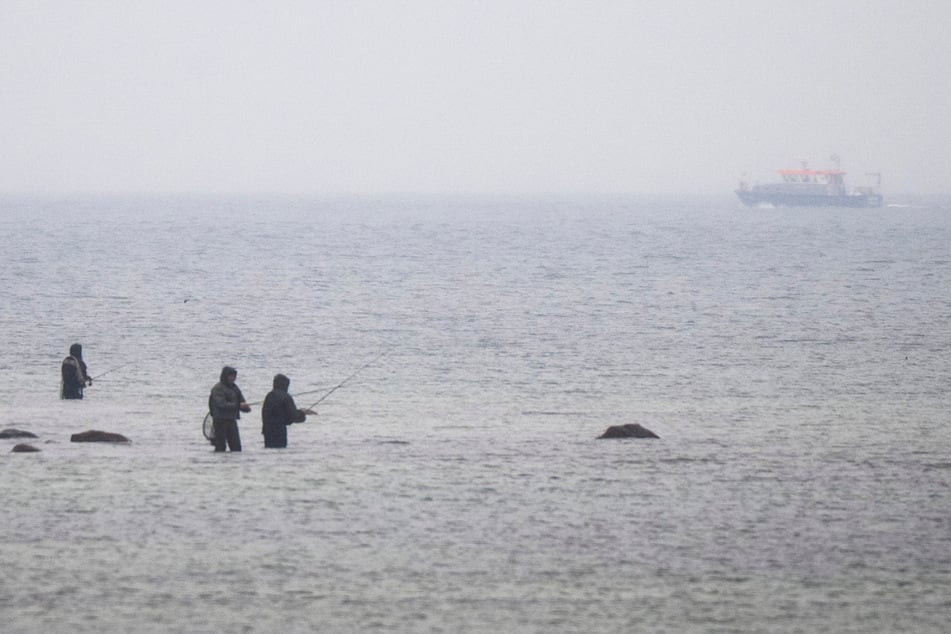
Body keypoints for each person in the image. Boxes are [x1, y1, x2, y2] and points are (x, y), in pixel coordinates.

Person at [261, 373, 315, 448]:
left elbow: (265, 414)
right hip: (279, 431)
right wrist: (302, 413)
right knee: (280, 450)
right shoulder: (286, 397)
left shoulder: (269, 395)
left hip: (267, 430)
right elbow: (294, 416)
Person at [208, 366, 251, 452]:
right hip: (219, 421)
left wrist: (246, 408)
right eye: (230, 376)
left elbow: (241, 401)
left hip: (231, 420)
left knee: (236, 448)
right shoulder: (217, 388)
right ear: (225, 376)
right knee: (220, 447)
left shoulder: (235, 388)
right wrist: (239, 406)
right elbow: (222, 404)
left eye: (234, 376)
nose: (232, 378)